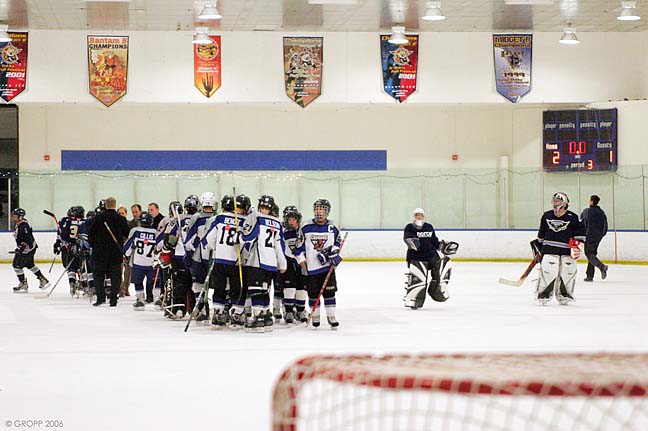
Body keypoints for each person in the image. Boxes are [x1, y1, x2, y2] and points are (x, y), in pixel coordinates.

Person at [240, 195, 287, 332]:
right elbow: (279, 245)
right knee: (265, 290)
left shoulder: (256, 217)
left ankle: (258, 317)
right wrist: (282, 263)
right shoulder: (277, 223)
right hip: (271, 263)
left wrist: (239, 236)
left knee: (256, 290)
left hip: (257, 261)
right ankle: (266, 317)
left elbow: (249, 236)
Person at [295, 199, 342, 329]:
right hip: (311, 268)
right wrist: (301, 260)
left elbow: (337, 243)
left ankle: (331, 316)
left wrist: (334, 254)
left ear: (327, 211)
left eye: (321, 209)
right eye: (317, 209)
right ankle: (315, 316)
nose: (319, 212)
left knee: (329, 293)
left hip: (327, 268)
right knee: (313, 294)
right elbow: (298, 247)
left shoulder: (333, 227)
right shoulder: (306, 226)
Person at [535, 192, 586, 305]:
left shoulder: (573, 217)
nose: (555, 203)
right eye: (554, 201)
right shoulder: (547, 215)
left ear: (565, 203)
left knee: (568, 271)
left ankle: (564, 294)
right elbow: (541, 234)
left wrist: (577, 245)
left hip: (566, 251)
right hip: (549, 250)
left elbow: (580, 235)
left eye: (558, 201)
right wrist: (539, 248)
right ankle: (543, 294)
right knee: (548, 271)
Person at [202, 194, 245, 327]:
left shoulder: (219, 218)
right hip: (235, 261)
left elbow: (209, 239)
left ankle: (218, 313)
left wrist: (216, 249)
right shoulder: (243, 220)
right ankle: (236, 314)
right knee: (237, 288)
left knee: (219, 288)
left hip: (219, 260)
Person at [402, 208, 458, 309]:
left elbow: (434, 241)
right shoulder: (409, 227)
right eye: (417, 215)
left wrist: (441, 245)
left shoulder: (429, 227)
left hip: (431, 255)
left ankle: (437, 291)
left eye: (421, 215)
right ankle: (414, 300)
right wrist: (411, 241)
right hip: (416, 257)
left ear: (423, 216)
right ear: (414, 216)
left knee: (442, 266)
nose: (419, 216)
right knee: (419, 279)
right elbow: (407, 238)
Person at [87, 196, 130, 307]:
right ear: (115, 205)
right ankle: (113, 299)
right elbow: (127, 234)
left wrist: (94, 246)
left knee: (99, 276)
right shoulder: (121, 219)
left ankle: (100, 298)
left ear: (105, 205)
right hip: (115, 253)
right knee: (115, 276)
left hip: (100, 253)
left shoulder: (98, 218)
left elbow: (90, 234)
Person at [183, 192, 217, 322]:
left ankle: (202, 309)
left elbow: (189, 241)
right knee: (220, 286)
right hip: (215, 257)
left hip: (198, 257)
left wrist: (188, 255)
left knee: (198, 284)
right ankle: (220, 311)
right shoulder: (217, 217)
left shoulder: (196, 218)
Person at [124, 212, 159, 310]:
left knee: (138, 281)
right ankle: (157, 300)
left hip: (138, 262)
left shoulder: (136, 231)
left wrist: (126, 254)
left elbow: (128, 246)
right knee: (156, 281)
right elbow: (160, 245)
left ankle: (140, 300)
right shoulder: (155, 232)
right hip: (152, 263)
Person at [11, 208, 50, 292]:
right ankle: (42, 279)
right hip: (30, 248)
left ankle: (23, 283)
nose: (13, 217)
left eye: (15, 216)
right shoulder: (22, 223)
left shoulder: (23, 226)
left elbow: (28, 240)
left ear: (20, 217)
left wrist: (21, 248)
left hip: (27, 249)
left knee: (16, 265)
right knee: (30, 264)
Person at [280, 206, 308, 323]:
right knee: (289, 287)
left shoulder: (303, 231)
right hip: (288, 262)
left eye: (293, 219)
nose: (291, 221)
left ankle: (300, 310)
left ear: (298, 220)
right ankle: (289, 311)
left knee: (302, 287)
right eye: (289, 219)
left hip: (301, 262)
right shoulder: (282, 231)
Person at [580, 195, 609, 282]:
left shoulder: (586, 211)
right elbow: (605, 225)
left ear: (592, 201)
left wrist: (583, 235)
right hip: (598, 236)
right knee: (592, 254)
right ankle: (589, 275)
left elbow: (583, 224)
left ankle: (602, 267)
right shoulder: (601, 212)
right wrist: (601, 235)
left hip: (589, 236)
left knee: (589, 254)